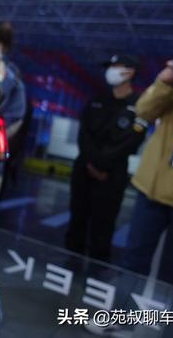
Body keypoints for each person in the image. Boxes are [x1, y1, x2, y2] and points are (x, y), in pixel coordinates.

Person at [65, 54, 147, 263]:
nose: (111, 70)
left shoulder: (139, 106)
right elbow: (84, 135)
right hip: (85, 168)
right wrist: (92, 163)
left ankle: (97, 269)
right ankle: (70, 265)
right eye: (110, 66)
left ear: (131, 72)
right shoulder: (96, 100)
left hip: (112, 175)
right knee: (77, 218)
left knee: (104, 223)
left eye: (116, 66)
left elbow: (131, 141)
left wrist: (103, 166)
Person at [122, 60, 173, 288]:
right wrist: (164, 82)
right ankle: (124, 309)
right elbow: (144, 111)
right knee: (133, 260)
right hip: (152, 186)